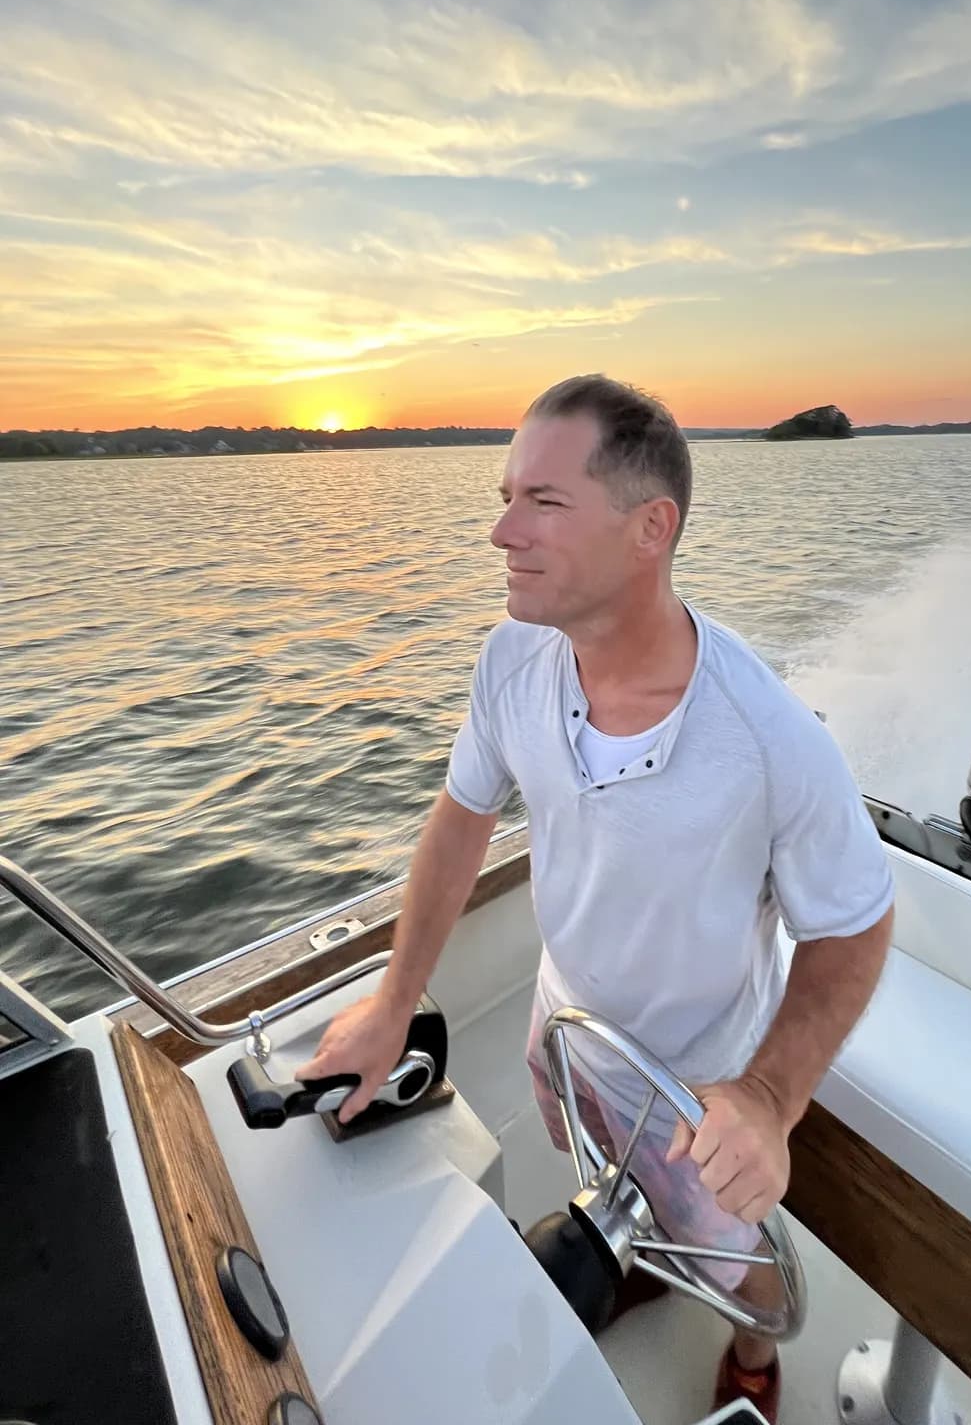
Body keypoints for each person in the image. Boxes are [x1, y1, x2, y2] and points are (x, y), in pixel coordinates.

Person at [296, 374, 895, 1421]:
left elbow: (855, 925)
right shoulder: (511, 662)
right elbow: (460, 820)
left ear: (647, 528)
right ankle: (642, 1256)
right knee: (590, 1164)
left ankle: (752, 1348)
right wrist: (395, 1002)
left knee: (748, 1273)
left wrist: (767, 1100)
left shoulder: (767, 739)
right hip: (564, 1021)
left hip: (701, 1077)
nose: (500, 531)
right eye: (505, 495)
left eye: (542, 501)